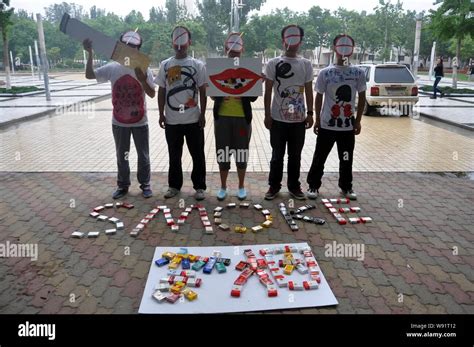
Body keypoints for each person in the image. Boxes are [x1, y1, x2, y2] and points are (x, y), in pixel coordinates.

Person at [83, 31, 156, 199]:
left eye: (134, 47)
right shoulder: (113, 67)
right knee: (122, 155)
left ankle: (145, 184)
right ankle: (123, 185)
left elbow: (152, 94)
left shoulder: (144, 68)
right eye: (126, 47)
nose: (130, 50)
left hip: (140, 122)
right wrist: (90, 53)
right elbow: (89, 75)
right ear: (121, 47)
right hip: (119, 122)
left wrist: (143, 79)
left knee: (143, 155)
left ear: (138, 49)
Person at [306, 34, 366, 201]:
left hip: (347, 127)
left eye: (349, 46)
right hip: (327, 125)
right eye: (341, 46)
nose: (344, 51)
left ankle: (346, 186)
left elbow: (361, 98)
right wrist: (317, 119)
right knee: (320, 157)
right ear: (334, 48)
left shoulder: (357, 73)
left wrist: (358, 121)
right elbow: (319, 97)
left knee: (346, 157)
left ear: (353, 49)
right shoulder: (326, 73)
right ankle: (313, 185)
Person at [156, 26, 207, 200]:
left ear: (189, 42)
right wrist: (161, 113)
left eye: (183, 41)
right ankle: (174, 186)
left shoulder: (197, 65)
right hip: (172, 120)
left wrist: (203, 114)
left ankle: (199, 186)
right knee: (174, 155)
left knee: (197, 154)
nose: (180, 46)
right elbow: (162, 91)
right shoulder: (166, 65)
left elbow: (202, 90)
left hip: (193, 119)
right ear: (172, 43)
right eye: (176, 41)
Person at [264, 24, 314, 200]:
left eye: (296, 37)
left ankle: (294, 187)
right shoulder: (273, 64)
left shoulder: (306, 64)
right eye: (288, 37)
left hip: (299, 120)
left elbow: (309, 89)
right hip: (277, 119)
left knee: (295, 156)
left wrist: (310, 113)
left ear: (300, 41)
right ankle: (273, 187)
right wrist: (267, 115)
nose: (292, 42)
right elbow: (268, 90)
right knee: (277, 156)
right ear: (283, 40)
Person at [213, 33, 257, 201]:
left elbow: (253, 98)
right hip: (222, 118)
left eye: (237, 47)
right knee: (223, 153)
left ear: (242, 49)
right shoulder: (217, 67)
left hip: (242, 118)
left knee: (241, 152)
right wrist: (219, 95)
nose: (234, 50)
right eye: (230, 46)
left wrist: (249, 89)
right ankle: (223, 187)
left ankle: (241, 186)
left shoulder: (249, 68)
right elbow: (212, 95)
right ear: (226, 48)